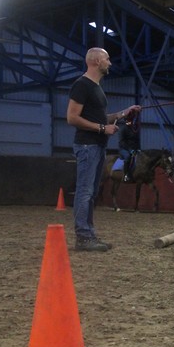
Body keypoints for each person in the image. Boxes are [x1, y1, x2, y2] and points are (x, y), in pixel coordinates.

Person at [67, 47, 141, 252]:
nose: (110, 63)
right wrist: (102, 128)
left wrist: (124, 113)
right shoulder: (82, 85)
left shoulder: (96, 87)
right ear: (97, 61)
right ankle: (83, 237)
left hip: (97, 145)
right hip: (87, 145)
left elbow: (101, 118)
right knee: (85, 192)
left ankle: (88, 234)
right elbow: (71, 117)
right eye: (107, 59)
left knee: (90, 193)